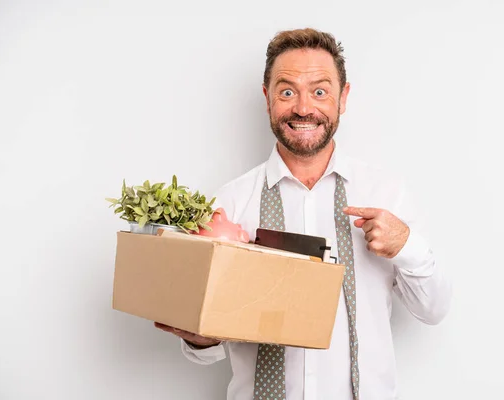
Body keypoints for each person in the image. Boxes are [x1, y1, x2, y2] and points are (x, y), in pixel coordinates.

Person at [155, 28, 451, 400]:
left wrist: (406, 244)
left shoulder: (385, 193)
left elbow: (434, 310)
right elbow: (206, 347)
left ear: (343, 98)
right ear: (267, 99)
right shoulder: (228, 206)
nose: (304, 108)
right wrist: (200, 340)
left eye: (320, 91)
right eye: (287, 91)